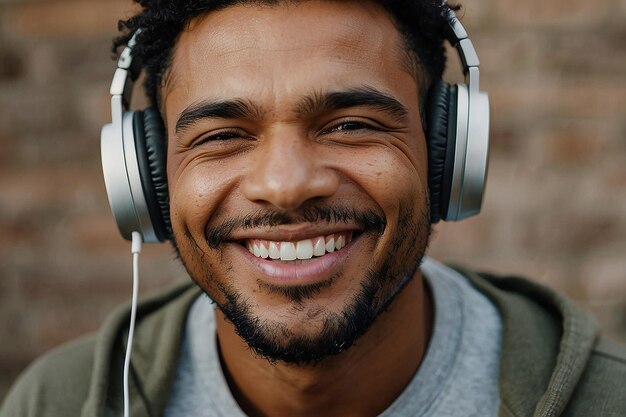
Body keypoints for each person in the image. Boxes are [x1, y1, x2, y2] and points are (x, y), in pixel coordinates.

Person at [2, 1, 625, 416]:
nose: (286, 184)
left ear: (448, 153)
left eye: (351, 123)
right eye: (221, 135)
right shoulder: (56, 403)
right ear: (146, 176)